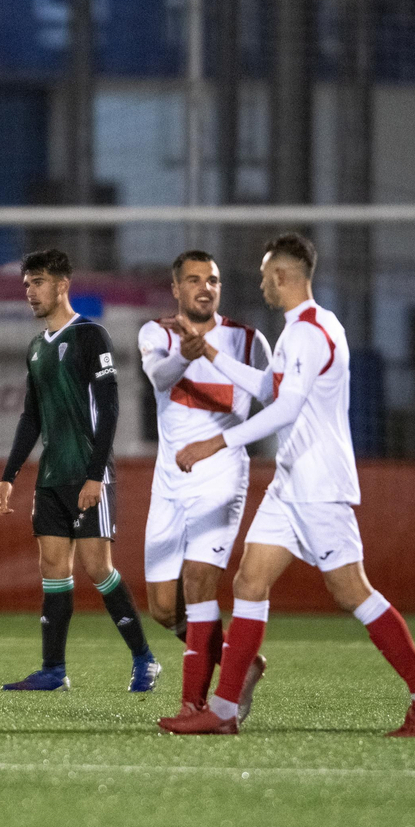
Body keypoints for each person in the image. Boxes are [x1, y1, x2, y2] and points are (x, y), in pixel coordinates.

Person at [160, 233, 415, 737]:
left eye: (262, 275)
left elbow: (286, 409)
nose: (260, 284)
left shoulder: (309, 332)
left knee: (352, 592)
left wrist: (216, 444)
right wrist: (209, 352)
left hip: (318, 485)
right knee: (249, 582)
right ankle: (225, 711)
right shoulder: (308, 327)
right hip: (290, 482)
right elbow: (268, 389)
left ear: (281, 276)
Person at [0, 248, 159, 692]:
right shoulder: (34, 348)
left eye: (38, 282)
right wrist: (8, 476)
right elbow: (31, 418)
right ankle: (53, 670)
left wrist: (94, 473)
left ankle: (145, 658)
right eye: (26, 284)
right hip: (50, 477)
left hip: (88, 472)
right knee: (51, 566)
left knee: (97, 567)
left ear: (62, 285)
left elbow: (110, 407)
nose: (29, 292)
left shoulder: (90, 335)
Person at [136, 250, 271, 722]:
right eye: (193, 280)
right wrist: (183, 356)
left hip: (222, 477)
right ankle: (243, 661)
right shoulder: (157, 333)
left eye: (212, 279)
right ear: (176, 288)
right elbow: (157, 375)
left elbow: (273, 396)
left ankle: (195, 704)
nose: (204, 287)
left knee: (198, 584)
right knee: (162, 608)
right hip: (169, 482)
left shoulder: (249, 339)